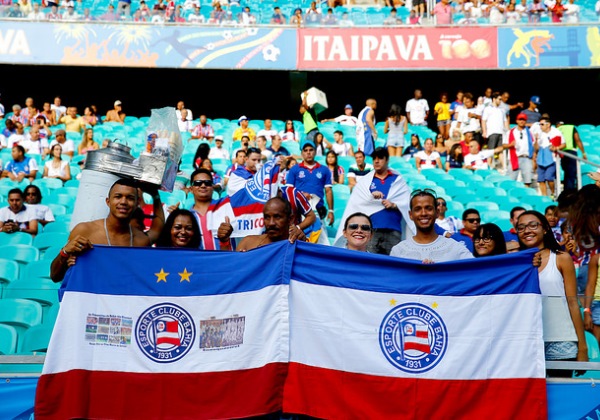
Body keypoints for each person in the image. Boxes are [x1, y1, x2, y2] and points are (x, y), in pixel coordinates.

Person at [517, 210, 588, 376]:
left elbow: (572, 302)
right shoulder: (515, 262)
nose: (527, 230)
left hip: (560, 339)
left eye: (533, 225)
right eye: (521, 227)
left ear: (546, 229)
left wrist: (582, 346)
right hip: (528, 341)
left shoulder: (562, 258)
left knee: (562, 395)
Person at [50, 179, 163, 282]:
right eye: (118, 196)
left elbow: (158, 228)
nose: (123, 201)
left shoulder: (140, 239)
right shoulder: (85, 230)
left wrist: (155, 195)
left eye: (130, 198)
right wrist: (64, 252)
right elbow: (55, 276)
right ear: (108, 201)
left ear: (137, 204)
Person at [390, 189, 474, 263]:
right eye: (418, 209)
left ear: (437, 212)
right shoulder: (398, 251)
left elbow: (477, 270)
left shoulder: (455, 248)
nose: (423, 213)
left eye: (428, 208)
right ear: (410, 215)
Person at [286, 140, 334, 227]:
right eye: (305, 150)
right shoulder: (294, 169)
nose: (308, 152)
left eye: (311, 150)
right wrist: (300, 194)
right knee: (299, 237)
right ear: (302, 153)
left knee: (320, 238)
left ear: (315, 152)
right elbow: (288, 190)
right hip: (300, 211)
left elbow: (328, 191)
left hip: (318, 211)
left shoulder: (324, 170)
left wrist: (331, 211)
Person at [188, 168, 233, 250]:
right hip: (200, 261)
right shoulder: (187, 217)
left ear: (213, 187)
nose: (203, 185)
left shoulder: (225, 206)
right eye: (198, 183)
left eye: (207, 183)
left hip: (227, 259)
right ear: (191, 189)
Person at [236, 197, 301, 252]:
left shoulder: (298, 246)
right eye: (267, 217)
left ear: (290, 219)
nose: (271, 223)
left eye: (277, 217)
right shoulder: (247, 244)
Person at [534, 116, 565, 197]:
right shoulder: (539, 133)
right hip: (541, 159)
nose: (540, 126)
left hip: (552, 159)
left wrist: (556, 148)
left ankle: (552, 193)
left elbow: (564, 144)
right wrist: (536, 140)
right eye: (539, 124)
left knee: (549, 178)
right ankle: (544, 196)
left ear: (548, 124)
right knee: (541, 180)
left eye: (542, 124)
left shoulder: (556, 132)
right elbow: (536, 148)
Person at [504, 113, 534, 187]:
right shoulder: (510, 132)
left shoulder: (529, 132)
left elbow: (533, 145)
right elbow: (504, 145)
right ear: (517, 121)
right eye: (520, 119)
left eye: (523, 120)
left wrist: (534, 159)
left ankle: (526, 196)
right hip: (514, 158)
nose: (522, 121)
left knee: (527, 180)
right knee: (510, 180)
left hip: (527, 157)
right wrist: (510, 145)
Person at [557, 121, 587, 192]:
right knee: (571, 173)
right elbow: (577, 140)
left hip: (561, 153)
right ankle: (570, 191)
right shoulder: (571, 127)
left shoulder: (557, 129)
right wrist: (583, 153)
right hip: (571, 152)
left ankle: (566, 190)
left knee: (566, 173)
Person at [481, 91, 509, 168]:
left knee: (500, 151)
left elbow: (505, 121)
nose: (500, 101)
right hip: (492, 132)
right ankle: (488, 166)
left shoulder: (502, 110)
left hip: (501, 133)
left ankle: (504, 167)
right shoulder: (487, 109)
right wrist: (484, 131)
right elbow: (483, 120)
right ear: (494, 99)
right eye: (499, 99)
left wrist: (508, 132)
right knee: (491, 150)